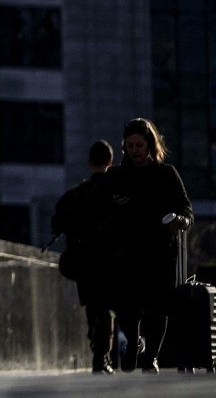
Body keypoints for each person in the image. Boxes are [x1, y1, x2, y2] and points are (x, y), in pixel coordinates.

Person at [109, 118, 192, 374]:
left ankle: (151, 356)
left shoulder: (167, 174)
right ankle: (134, 343)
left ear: (150, 145)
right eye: (130, 145)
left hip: (160, 252)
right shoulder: (116, 176)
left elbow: (186, 209)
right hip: (126, 252)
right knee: (126, 307)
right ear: (124, 146)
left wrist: (180, 221)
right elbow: (101, 211)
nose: (135, 150)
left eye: (140, 145)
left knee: (158, 308)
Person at [51, 140, 119, 374]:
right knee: (107, 308)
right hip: (110, 261)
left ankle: (98, 348)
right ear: (110, 161)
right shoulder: (118, 194)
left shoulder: (75, 195)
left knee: (93, 307)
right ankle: (102, 355)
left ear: (90, 162)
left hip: (84, 262)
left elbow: (58, 223)